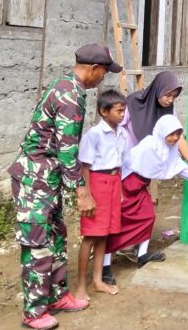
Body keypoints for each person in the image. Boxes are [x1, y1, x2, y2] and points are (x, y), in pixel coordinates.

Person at [7, 43, 121, 330]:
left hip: (49, 177)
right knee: (37, 243)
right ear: (93, 69)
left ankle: (57, 296)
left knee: (57, 234)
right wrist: (81, 191)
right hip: (35, 178)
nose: (103, 79)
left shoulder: (69, 88)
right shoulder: (69, 95)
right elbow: (68, 148)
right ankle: (33, 312)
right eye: (104, 72)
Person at [104, 71, 188, 276]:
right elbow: (117, 130)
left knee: (147, 214)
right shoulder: (133, 102)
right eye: (168, 94)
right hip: (127, 167)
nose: (170, 100)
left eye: (174, 97)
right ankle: (106, 260)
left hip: (147, 169)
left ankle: (141, 253)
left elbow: (177, 139)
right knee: (118, 216)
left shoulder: (168, 112)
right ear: (158, 88)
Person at [74, 89, 127, 301]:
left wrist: (120, 191)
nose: (123, 115)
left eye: (124, 111)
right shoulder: (93, 135)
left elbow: (119, 164)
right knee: (91, 235)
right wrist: (87, 195)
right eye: (119, 111)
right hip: (97, 183)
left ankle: (97, 281)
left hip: (114, 183)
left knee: (104, 234)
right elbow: (85, 167)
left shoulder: (121, 133)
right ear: (104, 111)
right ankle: (80, 285)